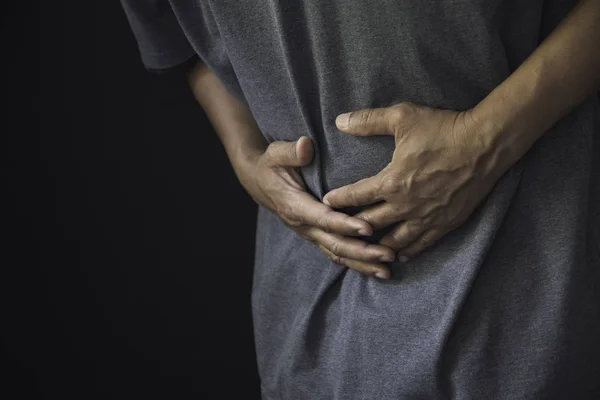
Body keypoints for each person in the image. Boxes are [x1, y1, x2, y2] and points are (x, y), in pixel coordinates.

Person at [120, 0, 600, 398]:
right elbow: (172, 34)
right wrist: (244, 154)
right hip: (307, 330)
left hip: (528, 299)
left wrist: (485, 141)